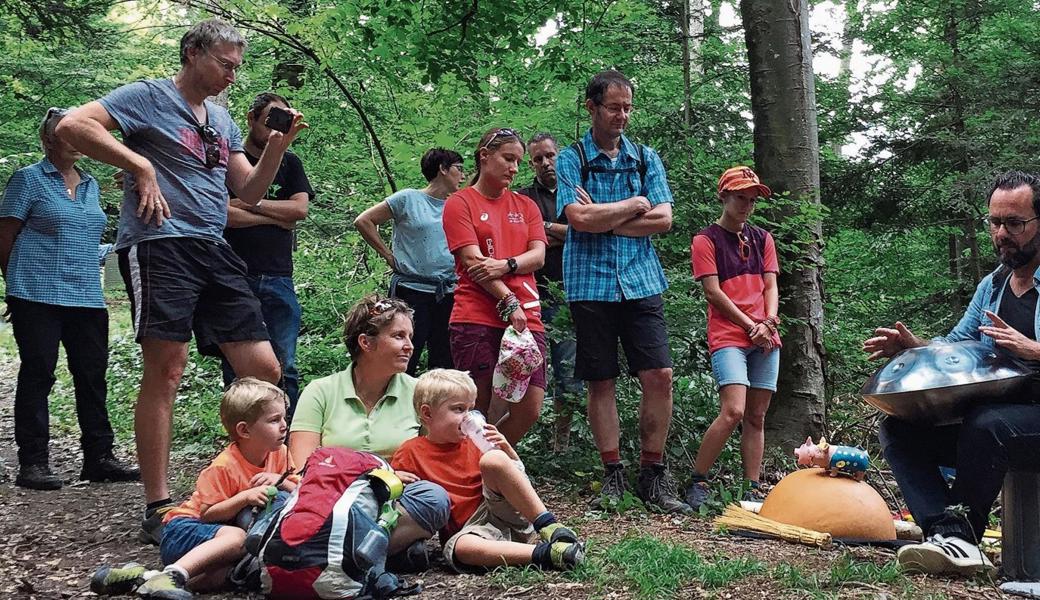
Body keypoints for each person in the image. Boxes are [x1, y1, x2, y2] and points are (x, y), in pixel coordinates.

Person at [55, 19, 307, 543]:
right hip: (159, 244)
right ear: (192, 52)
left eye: (238, 68)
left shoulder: (222, 118)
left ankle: (256, 486)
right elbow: (73, 126)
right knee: (167, 369)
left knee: (263, 368)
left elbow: (250, 191)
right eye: (224, 64)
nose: (232, 77)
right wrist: (139, 165)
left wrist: (278, 146)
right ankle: (158, 504)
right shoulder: (147, 97)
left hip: (214, 248)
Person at [863, 170, 1040, 576]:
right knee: (899, 429)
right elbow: (957, 348)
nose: (1002, 234)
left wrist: (1033, 349)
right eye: (995, 222)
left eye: (1015, 223)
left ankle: (960, 536)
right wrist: (916, 349)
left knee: (986, 423)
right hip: (997, 422)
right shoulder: (992, 286)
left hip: (1014, 423)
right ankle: (947, 535)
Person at [555, 70, 689, 513]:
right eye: (614, 107)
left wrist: (603, 214)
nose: (622, 116)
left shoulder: (646, 158)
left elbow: (665, 220)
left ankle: (652, 473)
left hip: (642, 280)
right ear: (592, 107)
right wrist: (634, 205)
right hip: (589, 282)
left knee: (659, 375)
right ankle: (612, 472)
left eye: (627, 107)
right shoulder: (572, 157)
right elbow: (577, 219)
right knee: (601, 380)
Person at [0, 108, 139, 490]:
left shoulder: (92, 185)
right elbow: (5, 236)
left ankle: (99, 458)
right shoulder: (27, 180)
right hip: (36, 294)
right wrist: (14, 285)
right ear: (50, 139)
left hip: (86, 296)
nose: (78, 143)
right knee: (38, 374)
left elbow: (90, 239)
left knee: (92, 377)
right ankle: (33, 463)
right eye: (69, 136)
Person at [91, 378, 299, 599]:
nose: (284, 425)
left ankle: (144, 579)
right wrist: (244, 497)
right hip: (184, 529)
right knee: (237, 538)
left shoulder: (281, 454)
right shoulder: (224, 466)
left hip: (218, 542)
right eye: (274, 420)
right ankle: (174, 574)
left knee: (227, 575)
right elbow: (208, 514)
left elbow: (298, 489)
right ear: (245, 430)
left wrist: (280, 480)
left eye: (284, 417)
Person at [289, 294, 451, 567]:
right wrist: (369, 477)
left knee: (435, 499)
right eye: (398, 336)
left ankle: (322, 557)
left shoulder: (419, 393)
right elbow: (301, 466)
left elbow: (436, 459)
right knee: (280, 496)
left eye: (410, 336)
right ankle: (376, 554)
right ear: (366, 342)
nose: (409, 346)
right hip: (329, 494)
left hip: (393, 500)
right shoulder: (321, 391)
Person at [390, 369, 584, 572]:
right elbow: (403, 503)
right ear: (427, 413)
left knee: (493, 459)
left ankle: (550, 527)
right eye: (458, 409)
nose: (468, 418)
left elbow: (516, 480)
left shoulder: (477, 441)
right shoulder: (410, 451)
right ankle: (551, 554)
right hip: (472, 532)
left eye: (471, 408)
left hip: (500, 508)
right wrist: (397, 481)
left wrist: (509, 453)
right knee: (461, 549)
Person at [442, 128, 548, 444]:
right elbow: (474, 263)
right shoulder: (460, 203)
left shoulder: (526, 206)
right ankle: (475, 477)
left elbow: (538, 255)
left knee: (530, 406)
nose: (514, 168)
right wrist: (507, 300)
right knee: (478, 407)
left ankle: (489, 462)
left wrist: (507, 265)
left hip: (527, 317)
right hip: (475, 316)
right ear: (484, 156)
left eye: (518, 162)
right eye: (508, 159)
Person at [685, 166, 781, 510]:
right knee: (733, 411)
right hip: (729, 336)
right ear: (724, 196)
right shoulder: (705, 240)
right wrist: (750, 326)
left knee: (757, 415)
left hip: (766, 337)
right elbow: (713, 293)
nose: (747, 205)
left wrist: (768, 323)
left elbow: (771, 285)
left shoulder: (763, 239)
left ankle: (751, 488)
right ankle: (698, 480)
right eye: (740, 197)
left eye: (752, 199)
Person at [222, 92, 314, 419]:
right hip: (234, 274)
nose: (275, 129)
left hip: (279, 275)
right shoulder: (231, 161)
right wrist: (276, 215)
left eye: (282, 122)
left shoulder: (290, 163)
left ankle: (287, 434)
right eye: (269, 120)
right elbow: (223, 214)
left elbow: (300, 209)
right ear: (251, 119)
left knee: (285, 362)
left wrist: (250, 204)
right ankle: (243, 435)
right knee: (239, 365)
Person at [354, 147, 464, 375]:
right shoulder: (408, 199)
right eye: (459, 169)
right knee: (403, 353)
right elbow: (364, 221)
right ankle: (395, 403)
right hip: (412, 290)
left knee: (445, 358)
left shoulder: (457, 205)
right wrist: (388, 256)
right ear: (443, 169)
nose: (462, 175)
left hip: (448, 291)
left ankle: (437, 406)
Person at [516, 133, 584, 451]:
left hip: (571, 296)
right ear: (531, 163)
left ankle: (562, 444)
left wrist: (542, 229)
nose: (546, 163)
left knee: (568, 374)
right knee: (524, 371)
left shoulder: (576, 194)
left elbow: (585, 234)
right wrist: (558, 233)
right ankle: (513, 440)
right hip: (530, 297)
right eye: (538, 158)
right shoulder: (523, 198)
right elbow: (521, 240)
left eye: (551, 155)